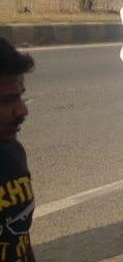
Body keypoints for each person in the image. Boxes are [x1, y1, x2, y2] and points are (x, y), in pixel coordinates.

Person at [0, 37, 36, 262]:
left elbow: (21, 236)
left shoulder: (12, 153)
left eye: (20, 96)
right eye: (7, 100)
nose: (22, 110)